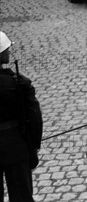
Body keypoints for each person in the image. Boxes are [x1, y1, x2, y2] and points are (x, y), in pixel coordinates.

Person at [0, 31, 43, 202]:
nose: (9, 52)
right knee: (21, 196)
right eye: (6, 49)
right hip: (15, 147)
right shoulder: (19, 83)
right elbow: (34, 117)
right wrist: (34, 144)